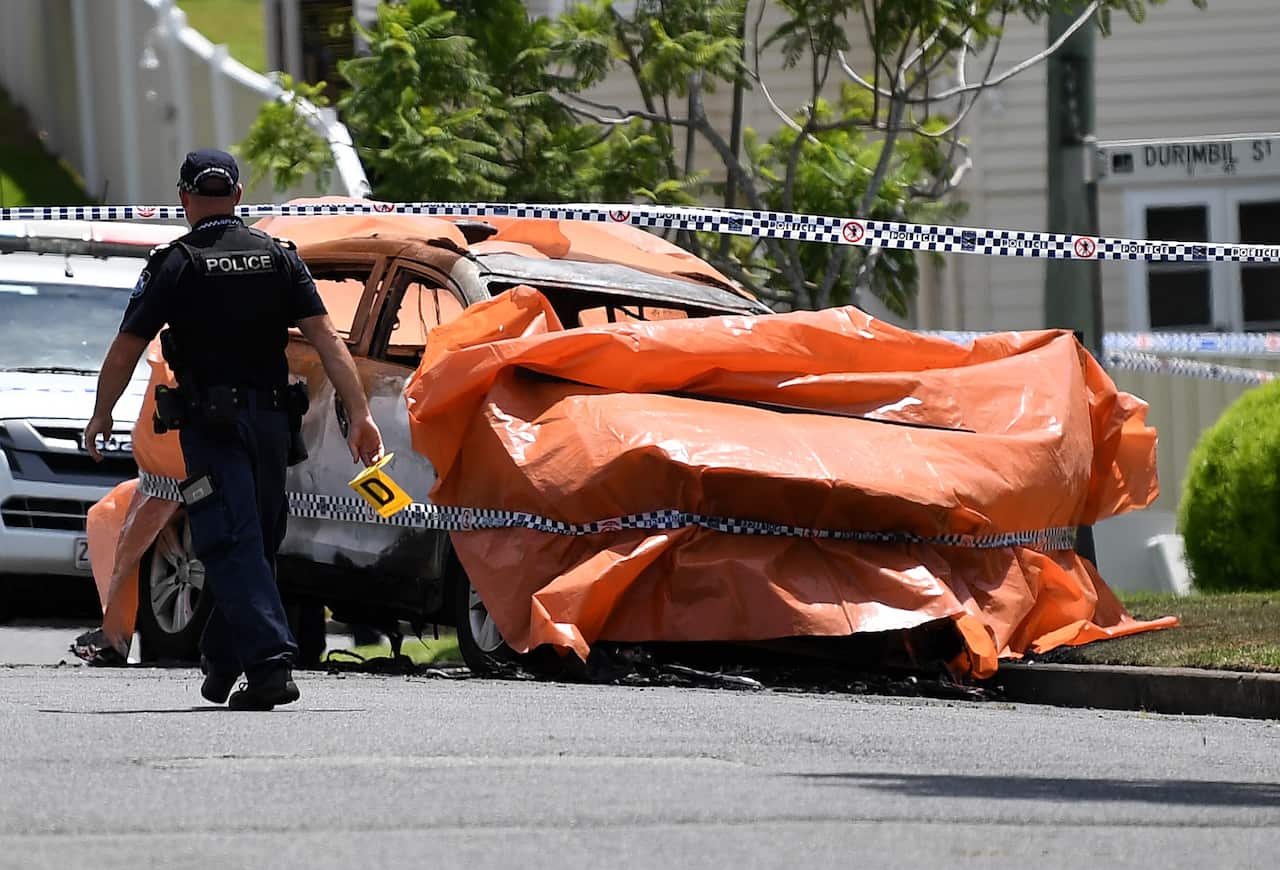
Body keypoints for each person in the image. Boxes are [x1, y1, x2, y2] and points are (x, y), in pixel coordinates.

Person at [84, 149, 384, 710]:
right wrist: (360, 415)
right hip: (273, 424)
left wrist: (102, 413)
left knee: (230, 538)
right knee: (255, 541)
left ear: (184, 199)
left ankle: (269, 666)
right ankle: (222, 662)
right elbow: (328, 342)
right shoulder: (279, 256)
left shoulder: (175, 262)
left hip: (213, 428)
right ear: (240, 197)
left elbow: (126, 349)